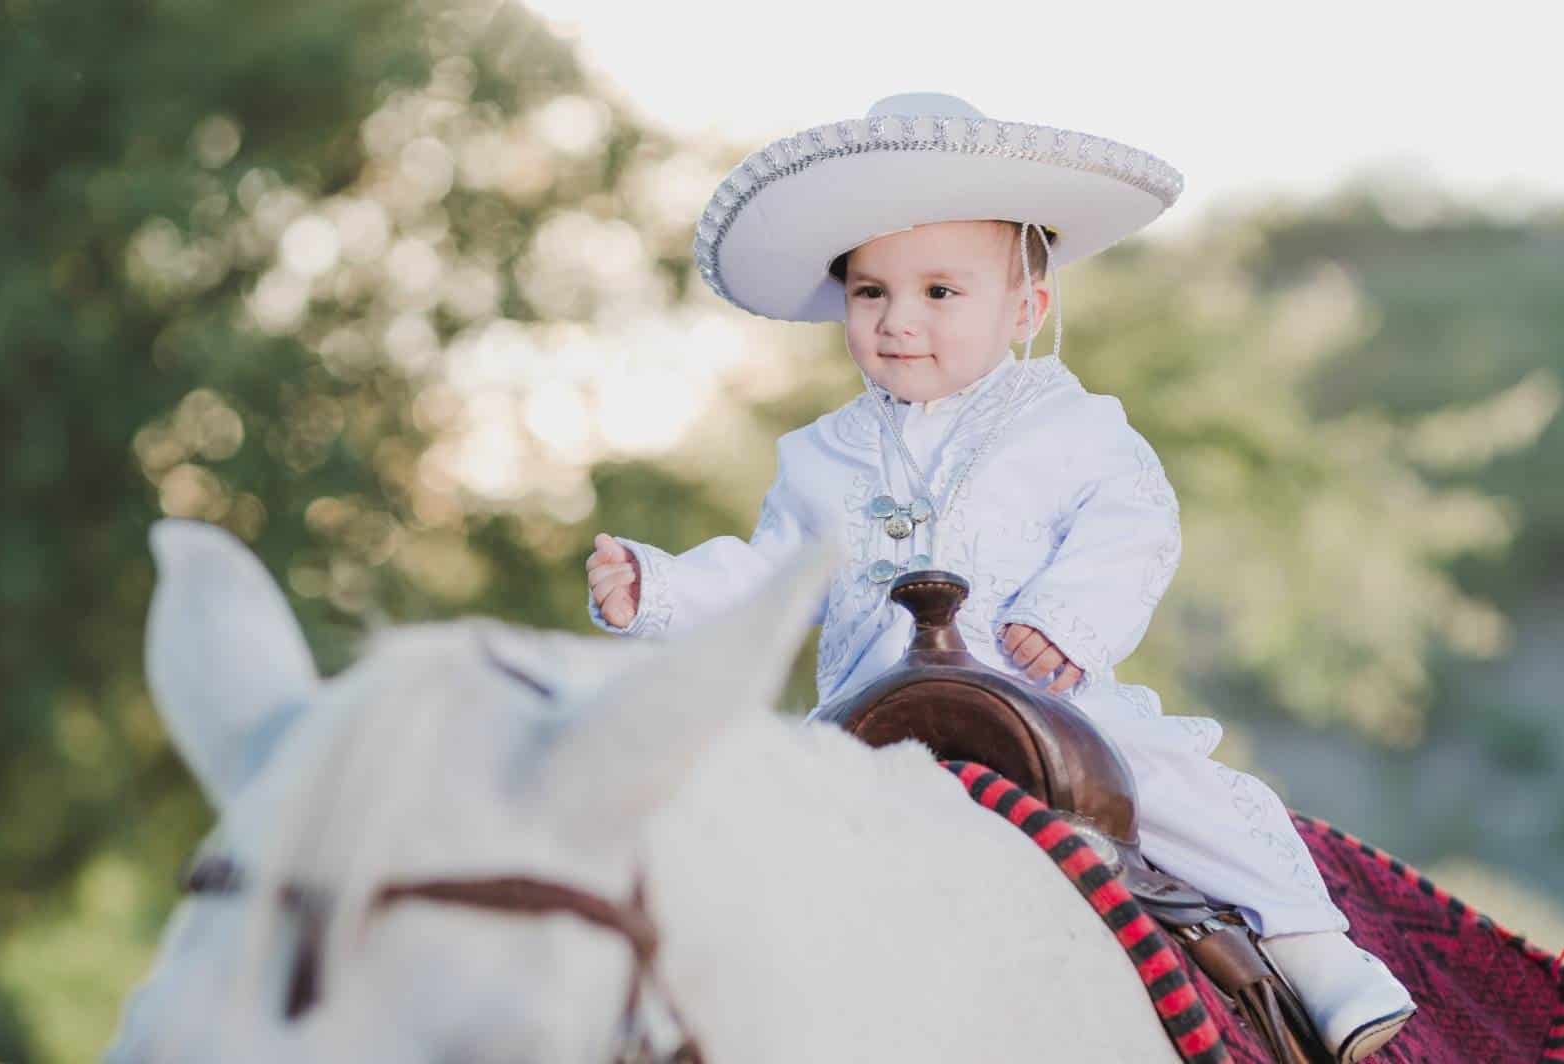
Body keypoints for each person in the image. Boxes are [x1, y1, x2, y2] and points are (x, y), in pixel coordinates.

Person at [583, 92, 1414, 1061]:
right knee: (746, 816)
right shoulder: (819, 454)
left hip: (1044, 705)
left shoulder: (1070, 427)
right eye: (869, 292)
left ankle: (1311, 951)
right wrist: (661, 586)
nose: (898, 320)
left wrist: (1069, 621)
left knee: (1178, 784)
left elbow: (1132, 525)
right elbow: (771, 569)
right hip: (871, 722)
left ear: (1025, 307)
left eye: (940, 292)